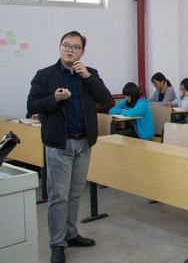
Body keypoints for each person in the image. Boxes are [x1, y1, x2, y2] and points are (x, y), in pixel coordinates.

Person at [27, 31, 113, 263]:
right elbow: (32, 105)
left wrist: (88, 77)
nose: (69, 50)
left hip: (84, 143)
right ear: (59, 47)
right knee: (58, 196)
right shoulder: (45, 75)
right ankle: (57, 244)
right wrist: (54, 99)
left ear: (82, 52)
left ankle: (71, 233)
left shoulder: (89, 73)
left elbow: (107, 100)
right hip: (59, 144)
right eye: (66, 45)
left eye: (75, 47)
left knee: (75, 193)